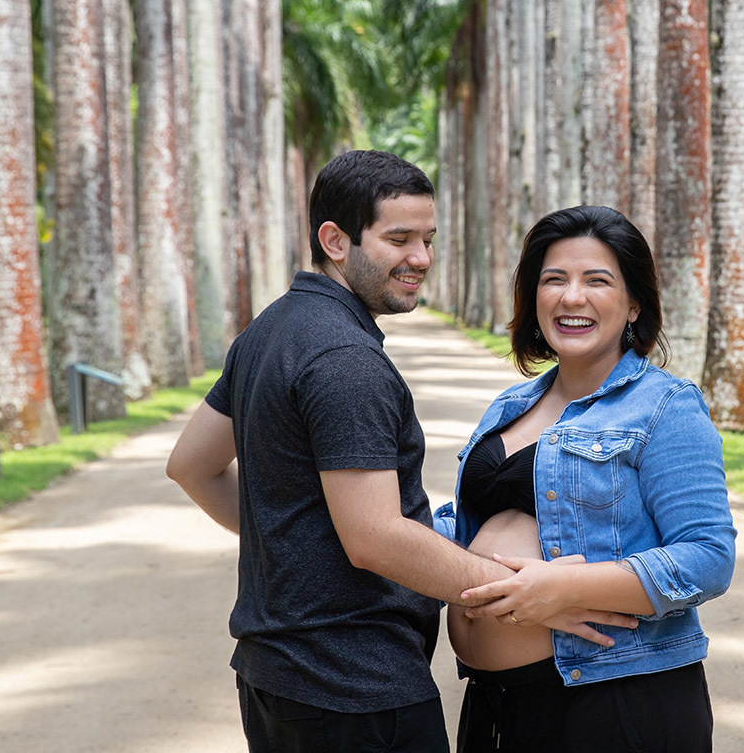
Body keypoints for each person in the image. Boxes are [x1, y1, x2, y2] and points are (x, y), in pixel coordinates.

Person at [165, 151, 627, 753]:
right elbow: (376, 537)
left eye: (428, 239)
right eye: (399, 239)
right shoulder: (345, 360)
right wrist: (520, 594)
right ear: (334, 239)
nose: (421, 260)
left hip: (274, 676)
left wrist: (296, 538)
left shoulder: (272, 329)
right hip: (353, 686)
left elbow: (190, 466)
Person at [438, 205, 737, 752]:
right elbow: (463, 527)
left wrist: (564, 589)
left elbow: (709, 557)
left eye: (596, 280)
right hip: (495, 704)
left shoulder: (665, 406)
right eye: (554, 280)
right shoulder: (510, 406)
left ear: (634, 304)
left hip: (612, 704)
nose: (571, 297)